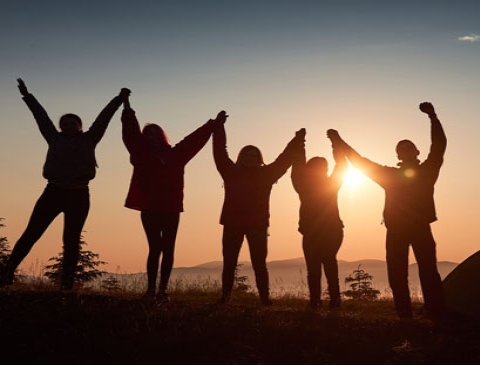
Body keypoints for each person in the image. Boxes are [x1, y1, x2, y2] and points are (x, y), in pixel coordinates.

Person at [0, 79, 128, 290]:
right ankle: (7, 273)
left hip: (79, 195)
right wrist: (27, 96)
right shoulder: (53, 138)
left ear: (80, 126)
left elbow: (103, 119)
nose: (68, 126)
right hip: (53, 192)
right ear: (60, 127)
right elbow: (40, 117)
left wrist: (118, 100)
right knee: (32, 232)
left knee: (71, 240)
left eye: (73, 123)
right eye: (65, 123)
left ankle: (66, 285)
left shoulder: (90, 138)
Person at [328, 102, 447, 320]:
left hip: (420, 228)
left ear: (416, 152)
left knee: (429, 272)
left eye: (408, 146)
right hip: (396, 230)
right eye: (401, 148)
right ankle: (405, 317)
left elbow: (439, 145)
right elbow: (359, 161)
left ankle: (436, 313)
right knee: (397, 275)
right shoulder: (390, 175)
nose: (404, 150)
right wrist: (338, 141)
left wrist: (433, 117)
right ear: (398, 155)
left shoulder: (428, 171)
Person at [121, 97, 218, 304]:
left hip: (172, 208)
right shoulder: (139, 154)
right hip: (149, 208)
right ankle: (150, 290)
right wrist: (127, 108)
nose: (153, 136)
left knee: (169, 248)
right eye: (149, 134)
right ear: (144, 138)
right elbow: (130, 133)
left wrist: (212, 125)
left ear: (162, 135)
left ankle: (163, 291)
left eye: (156, 133)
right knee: (155, 248)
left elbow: (194, 140)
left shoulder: (176, 154)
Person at [212, 116, 304, 305]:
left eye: (253, 155)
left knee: (259, 264)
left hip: (257, 225)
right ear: (241, 157)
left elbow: (284, 159)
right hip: (232, 224)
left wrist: (297, 140)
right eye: (246, 155)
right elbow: (220, 152)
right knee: (229, 263)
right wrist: (218, 127)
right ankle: (225, 297)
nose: (250, 158)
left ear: (259, 158)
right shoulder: (230, 172)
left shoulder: (267, 174)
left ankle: (264, 298)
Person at [291, 129, 347, 309]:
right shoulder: (303, 185)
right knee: (316, 268)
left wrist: (335, 141)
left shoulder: (330, 184)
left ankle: (332, 301)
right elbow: (298, 164)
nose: (323, 169)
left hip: (331, 231)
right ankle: (318, 301)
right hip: (313, 232)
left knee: (327, 263)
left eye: (324, 167)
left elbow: (341, 166)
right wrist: (300, 142)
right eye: (319, 167)